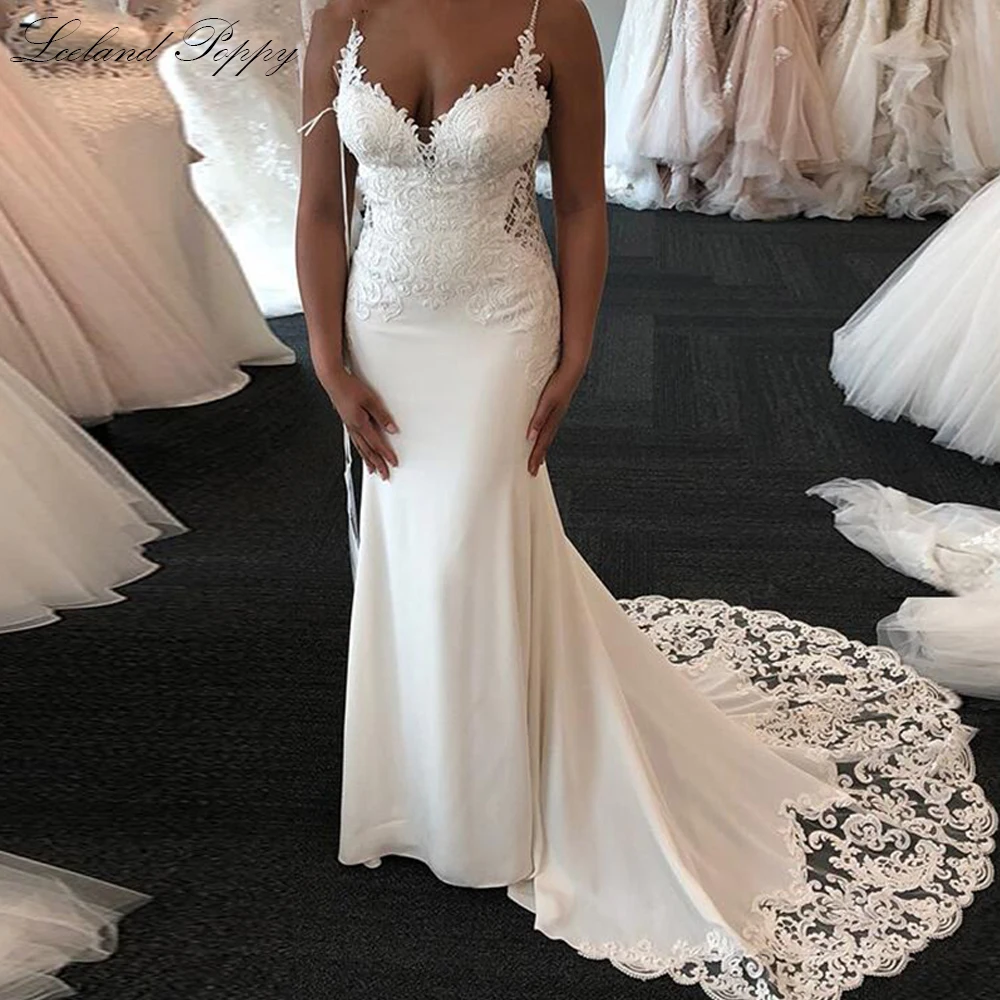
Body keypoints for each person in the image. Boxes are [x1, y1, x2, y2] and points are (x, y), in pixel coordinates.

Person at [297, 1, 995, 994]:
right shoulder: (341, 17)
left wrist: (577, 350)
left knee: (466, 545)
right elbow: (321, 208)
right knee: (414, 548)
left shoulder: (549, 17)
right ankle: (415, 780)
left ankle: (485, 808)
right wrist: (328, 360)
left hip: (500, 322)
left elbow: (584, 202)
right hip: (382, 327)